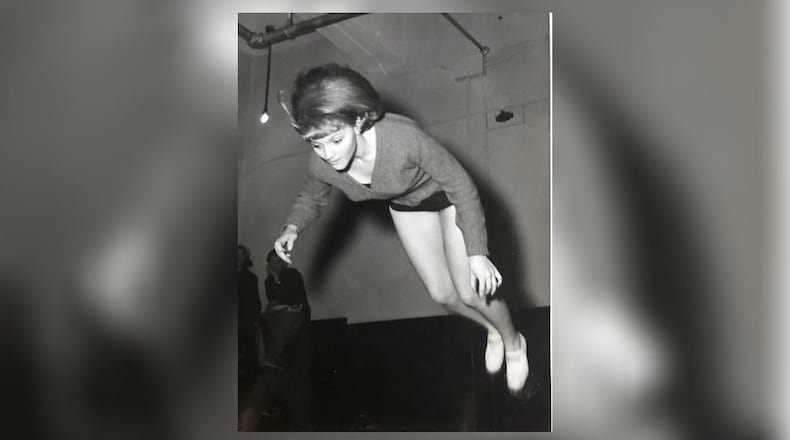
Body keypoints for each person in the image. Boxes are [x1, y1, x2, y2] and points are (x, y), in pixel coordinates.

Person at [273, 63, 528, 394]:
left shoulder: (403, 138)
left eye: (335, 140)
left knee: (469, 290)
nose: (327, 154)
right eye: (317, 145)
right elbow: (312, 194)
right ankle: (491, 330)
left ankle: (513, 342)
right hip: (407, 204)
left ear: (359, 120)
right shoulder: (322, 161)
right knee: (442, 294)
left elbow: (460, 184)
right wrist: (293, 226)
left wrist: (477, 253)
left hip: (446, 195)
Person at [237, 244, 262, 389]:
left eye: (242, 255)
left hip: (246, 321)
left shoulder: (252, 278)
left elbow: (256, 302)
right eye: (236, 254)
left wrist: (254, 319)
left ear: (246, 258)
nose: (239, 258)